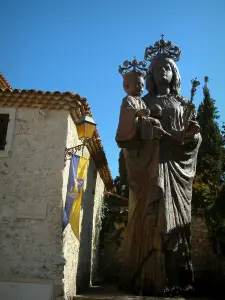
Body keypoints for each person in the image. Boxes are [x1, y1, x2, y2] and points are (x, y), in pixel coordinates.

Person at [117, 49, 201, 296]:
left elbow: (192, 138)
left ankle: (176, 282)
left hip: (176, 169)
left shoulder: (183, 104)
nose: (163, 70)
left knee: (176, 226)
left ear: (174, 73)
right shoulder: (144, 102)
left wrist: (193, 134)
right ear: (150, 74)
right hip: (151, 168)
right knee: (151, 219)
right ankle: (147, 280)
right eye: (158, 68)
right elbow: (130, 136)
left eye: (168, 67)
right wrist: (144, 128)